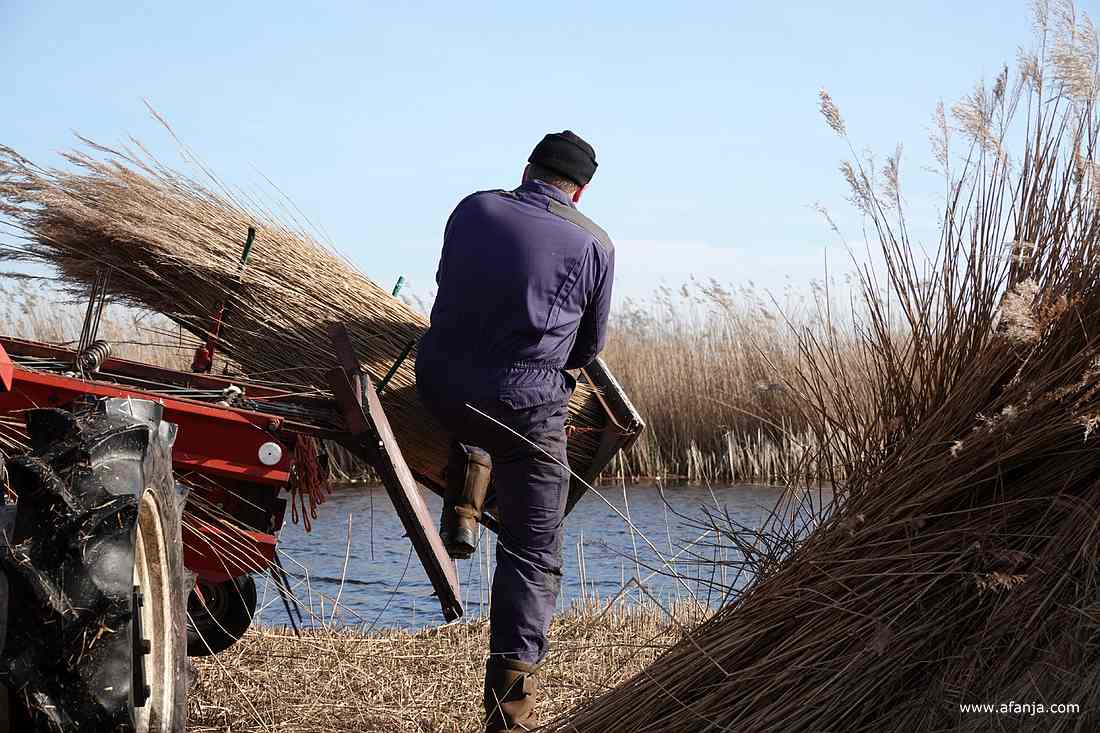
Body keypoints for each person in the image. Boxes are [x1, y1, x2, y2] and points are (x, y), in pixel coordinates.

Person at [416, 130, 614, 732]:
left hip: (440, 386)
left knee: (479, 406)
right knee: (533, 549)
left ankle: (468, 494)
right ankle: (511, 712)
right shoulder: (593, 243)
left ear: (528, 168)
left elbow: (446, 285)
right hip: (522, 407)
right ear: (579, 191)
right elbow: (587, 348)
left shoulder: (473, 207)